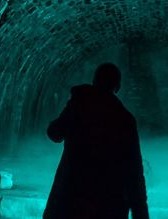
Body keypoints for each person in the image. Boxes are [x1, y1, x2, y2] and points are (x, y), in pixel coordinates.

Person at [43, 63, 149, 219]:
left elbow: (54, 133)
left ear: (94, 81)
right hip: (108, 203)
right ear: (117, 87)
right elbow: (134, 170)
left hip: (71, 195)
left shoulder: (79, 105)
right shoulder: (125, 119)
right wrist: (141, 213)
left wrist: (71, 108)